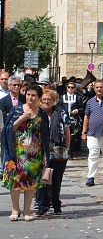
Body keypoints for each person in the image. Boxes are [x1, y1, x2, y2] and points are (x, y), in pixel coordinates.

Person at [1, 85, 50, 221]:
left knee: (31, 183)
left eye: (33, 95)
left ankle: (27, 211)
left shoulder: (42, 113)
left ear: (39, 97)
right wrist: (22, 118)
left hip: (34, 155)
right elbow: (8, 130)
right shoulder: (16, 109)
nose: (30, 97)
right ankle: (15, 209)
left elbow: (45, 135)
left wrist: (46, 154)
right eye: (28, 94)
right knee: (15, 182)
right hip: (16, 153)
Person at [36, 89, 70, 216]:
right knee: (42, 179)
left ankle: (56, 204)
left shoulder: (60, 113)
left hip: (58, 150)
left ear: (53, 100)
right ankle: (42, 206)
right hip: (40, 150)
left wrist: (67, 148)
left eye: (49, 99)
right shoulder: (37, 113)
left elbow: (67, 131)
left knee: (56, 180)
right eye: (44, 99)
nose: (46, 102)